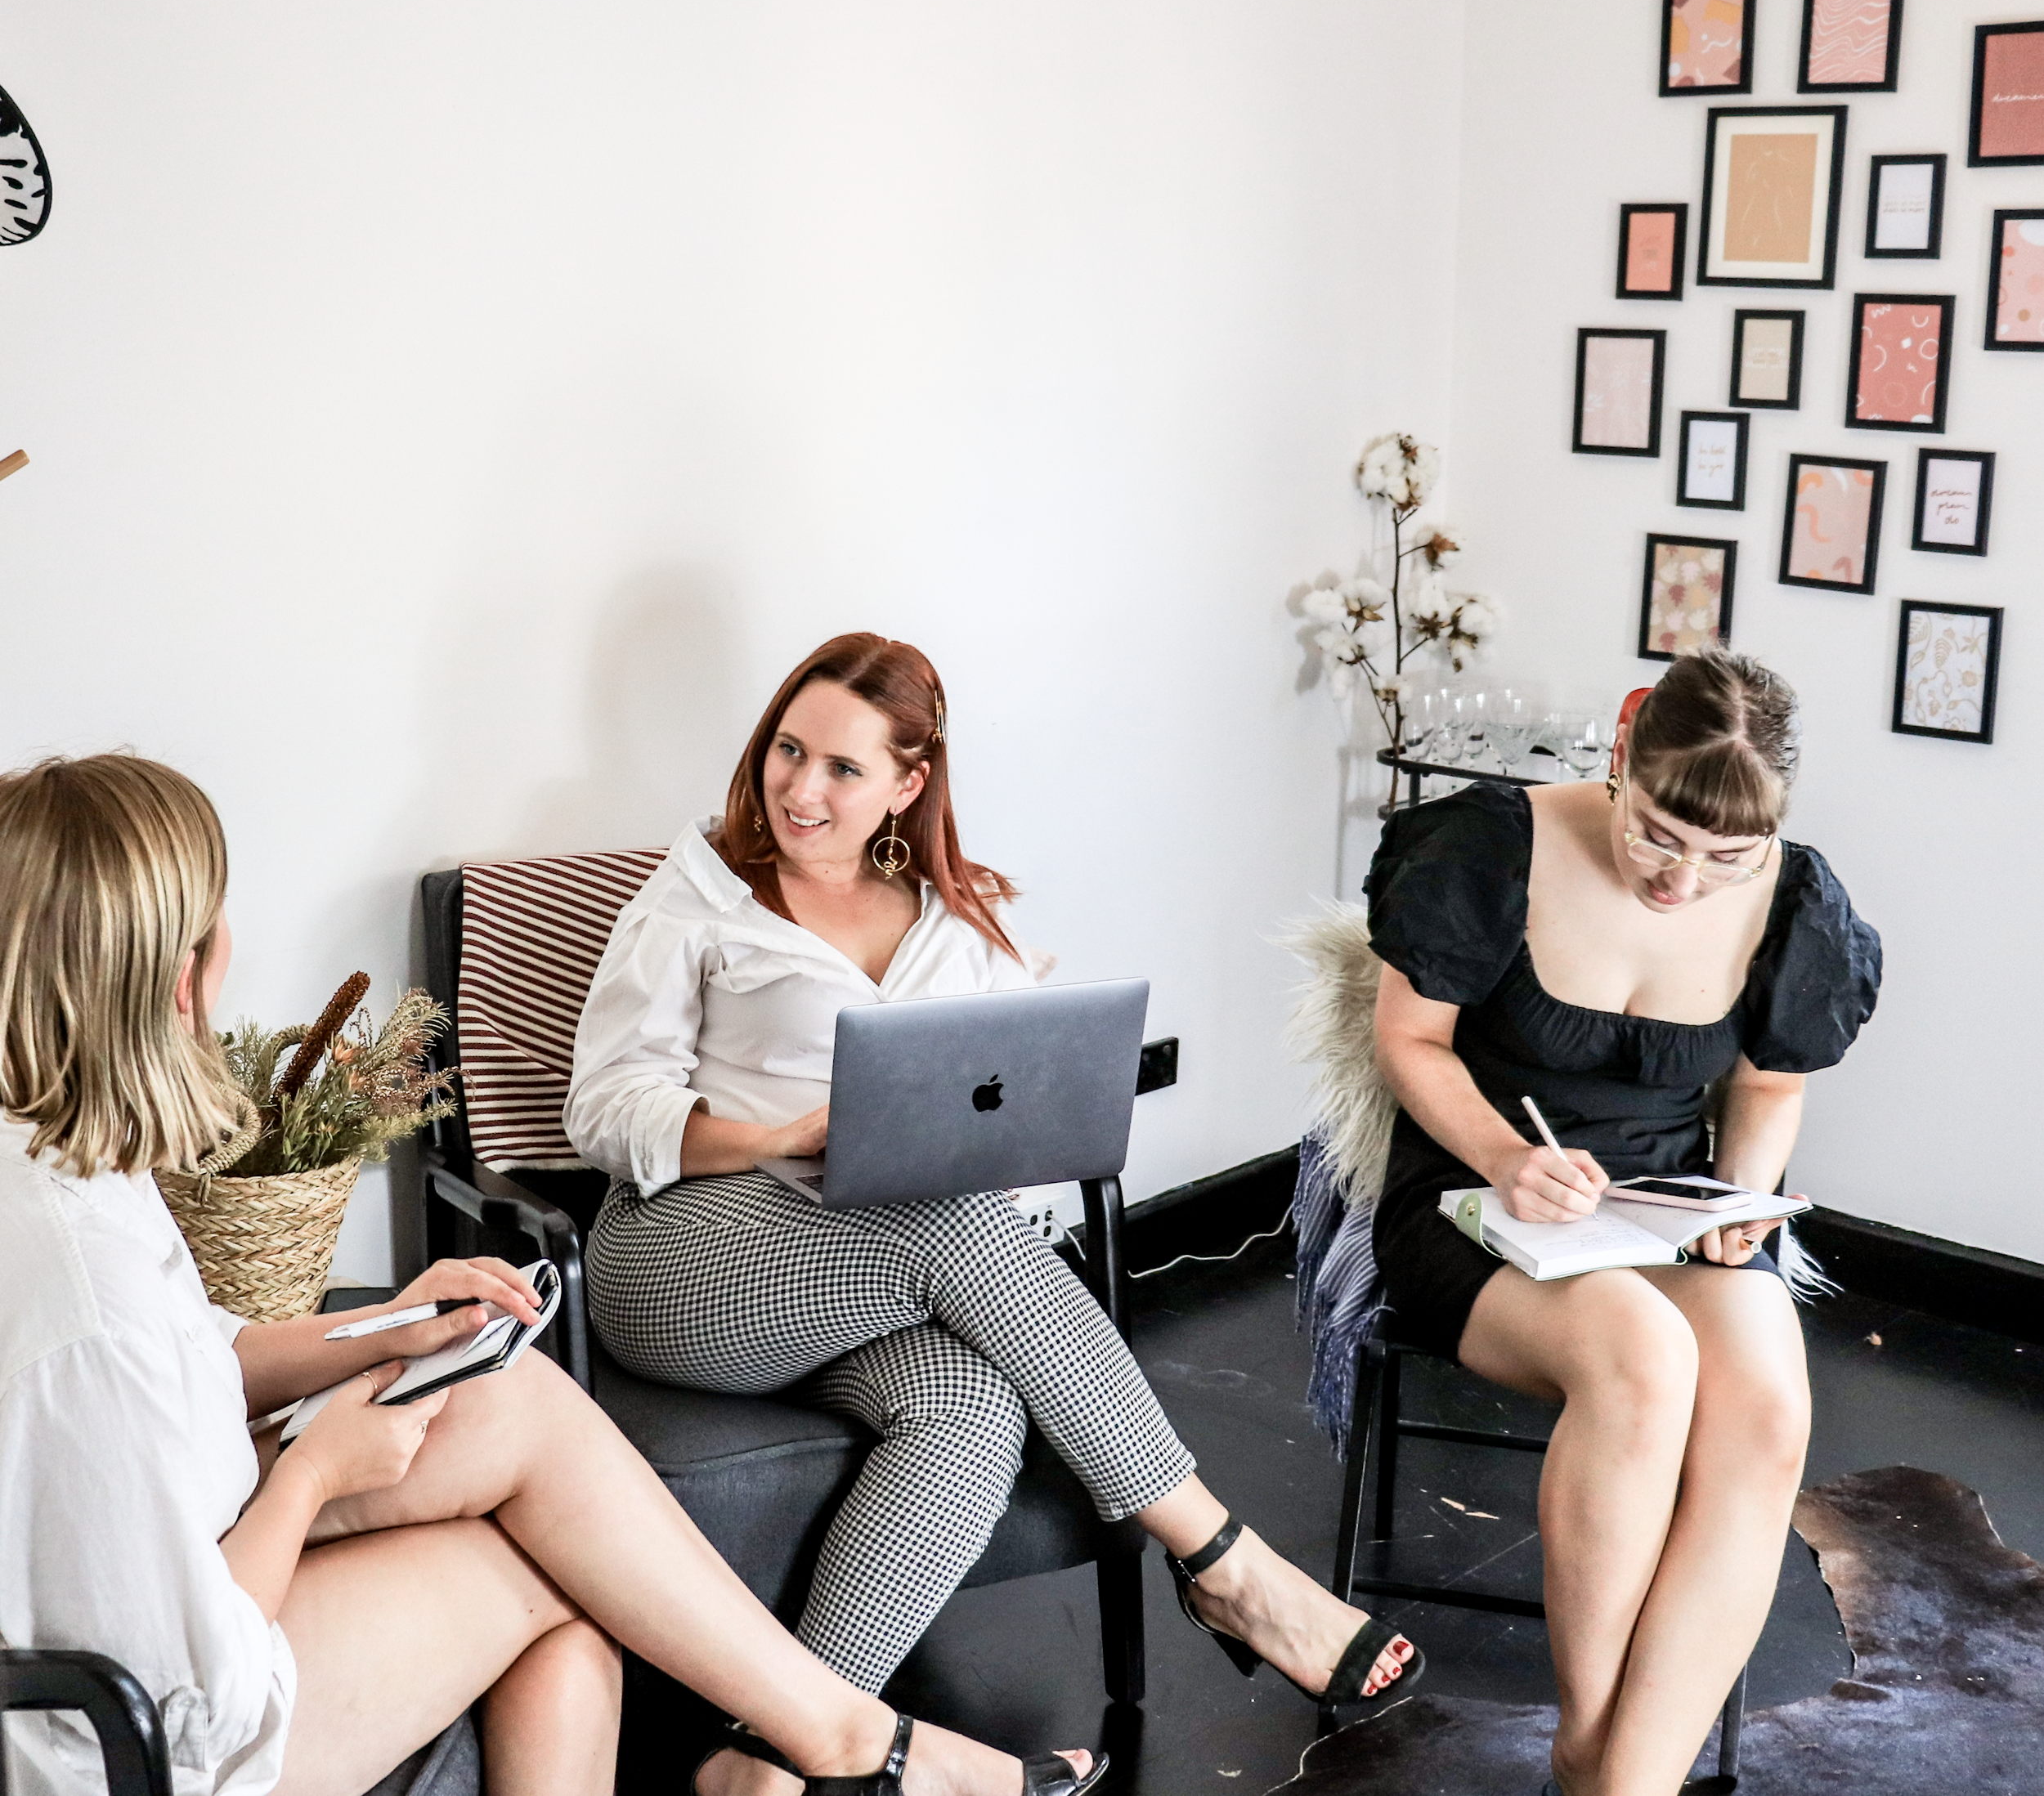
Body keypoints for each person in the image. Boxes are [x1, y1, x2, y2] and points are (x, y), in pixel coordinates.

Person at [0, 752, 1106, 1796]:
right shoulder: (86, 1310)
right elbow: (189, 1699)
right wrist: (313, 1479)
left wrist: (386, 1325)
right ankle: (853, 1740)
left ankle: (834, 1736)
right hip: (147, 1738)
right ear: (178, 981)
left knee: (510, 1400)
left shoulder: (63, 1160)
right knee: (558, 1581)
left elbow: (200, 1357)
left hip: (188, 1556)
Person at [568, 633, 1422, 1796]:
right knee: (952, 1231)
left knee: (970, 1406)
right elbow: (604, 1109)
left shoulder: (958, 923)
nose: (801, 790)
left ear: (909, 785)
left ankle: (771, 1759)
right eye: (788, 750)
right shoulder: (700, 899)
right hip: (683, 1258)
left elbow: (998, 1117)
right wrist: (781, 1134)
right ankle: (1228, 1566)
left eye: (842, 769)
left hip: (864, 1277)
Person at [1365, 648, 1881, 1796]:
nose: (1680, 883)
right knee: (1644, 1362)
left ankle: (1627, 1781)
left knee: (1766, 1407)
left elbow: (1767, 1086)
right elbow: (1409, 1045)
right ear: (1623, 748)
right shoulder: (1491, 847)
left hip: (1662, 1212)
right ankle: (1591, 1745)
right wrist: (1508, 1156)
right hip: (1473, 1201)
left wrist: (1742, 1205)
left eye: (1724, 858)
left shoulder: (1796, 900)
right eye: (1657, 835)